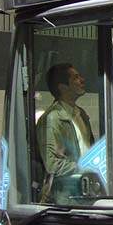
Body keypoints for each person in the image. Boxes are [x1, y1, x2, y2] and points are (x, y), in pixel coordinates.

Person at [36, 63, 95, 203]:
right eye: (76, 78)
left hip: (85, 193)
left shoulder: (81, 114)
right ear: (63, 87)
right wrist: (85, 167)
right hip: (64, 198)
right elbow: (52, 164)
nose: (82, 80)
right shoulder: (52, 118)